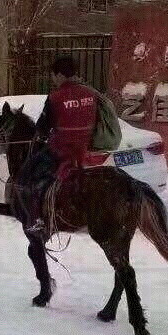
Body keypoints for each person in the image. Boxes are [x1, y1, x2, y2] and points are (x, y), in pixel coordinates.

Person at [18, 56, 98, 238]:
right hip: (84, 149)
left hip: (61, 149)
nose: (53, 80)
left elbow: (42, 127)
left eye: (53, 76)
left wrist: (41, 135)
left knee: (29, 173)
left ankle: (37, 218)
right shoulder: (91, 94)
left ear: (60, 75)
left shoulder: (56, 97)